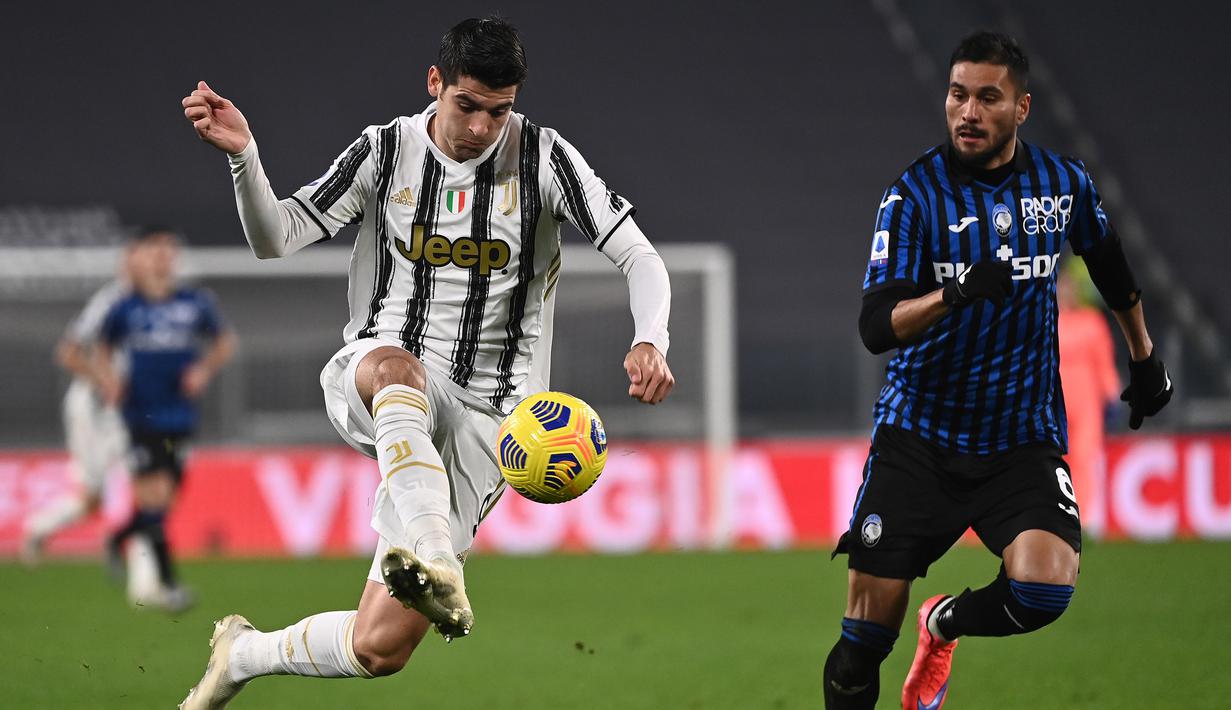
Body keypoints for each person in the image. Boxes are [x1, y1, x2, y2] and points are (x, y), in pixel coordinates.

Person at [178, 16, 674, 709]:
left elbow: (638, 254)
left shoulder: (545, 158)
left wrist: (651, 336)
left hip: (491, 420)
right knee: (396, 370)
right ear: (435, 83)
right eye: (466, 105)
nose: (479, 128)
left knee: (378, 648)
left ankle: (243, 654)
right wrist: (243, 156)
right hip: (379, 370)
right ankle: (437, 562)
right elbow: (277, 237)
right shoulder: (385, 150)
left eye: (497, 111)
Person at [827, 31, 1173, 709]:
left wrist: (1143, 355)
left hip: (1020, 438)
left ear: (1020, 108)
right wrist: (952, 293)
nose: (967, 111)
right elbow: (875, 327)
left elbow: (1108, 263)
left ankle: (943, 624)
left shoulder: (1061, 183)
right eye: (958, 94)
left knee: (1043, 590)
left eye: (988, 97)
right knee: (860, 648)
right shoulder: (913, 196)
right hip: (918, 439)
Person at [95, 227, 236, 611]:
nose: (161, 256)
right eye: (154, 249)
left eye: (168, 249)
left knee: (165, 498)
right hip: (140, 413)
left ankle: (118, 536)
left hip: (179, 415)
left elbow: (225, 342)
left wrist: (203, 370)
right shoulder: (125, 307)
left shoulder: (195, 302)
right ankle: (169, 585)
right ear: (142, 256)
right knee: (153, 496)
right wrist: (108, 380)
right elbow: (102, 349)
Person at [21, 245, 135, 564]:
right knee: (91, 499)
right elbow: (68, 353)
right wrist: (106, 382)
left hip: (126, 407)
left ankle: (139, 562)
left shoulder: (155, 304)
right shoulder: (110, 302)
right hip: (94, 406)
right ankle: (38, 529)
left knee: (144, 482)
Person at [1057, 261, 1121, 537]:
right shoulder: (1045, 322)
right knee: (1055, 462)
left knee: (1084, 459)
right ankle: (1056, 517)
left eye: (1068, 288)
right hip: (1053, 402)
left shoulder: (1091, 322)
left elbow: (1103, 361)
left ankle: (1084, 519)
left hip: (1086, 403)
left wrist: (1112, 393)